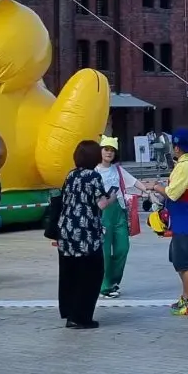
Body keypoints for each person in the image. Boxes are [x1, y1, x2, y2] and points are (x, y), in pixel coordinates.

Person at [144, 128, 188, 316]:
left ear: (178, 148)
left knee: (185, 263)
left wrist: (155, 186)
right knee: (178, 259)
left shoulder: (186, 166)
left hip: (187, 221)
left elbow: (172, 193)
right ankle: (186, 297)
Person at [51, 140, 109, 329]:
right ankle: (82, 317)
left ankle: (70, 314)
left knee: (70, 273)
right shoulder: (94, 176)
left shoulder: (71, 175)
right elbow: (100, 204)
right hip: (86, 232)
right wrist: (112, 198)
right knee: (91, 274)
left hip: (66, 230)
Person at [96, 138, 140, 298]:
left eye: (112, 150)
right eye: (106, 149)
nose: (109, 152)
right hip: (103, 215)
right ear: (100, 151)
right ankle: (105, 286)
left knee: (123, 248)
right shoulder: (94, 171)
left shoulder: (118, 170)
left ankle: (114, 281)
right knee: (105, 252)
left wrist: (150, 191)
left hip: (119, 212)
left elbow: (135, 182)